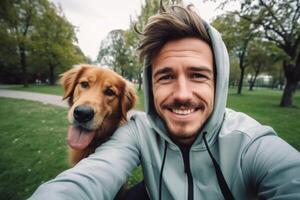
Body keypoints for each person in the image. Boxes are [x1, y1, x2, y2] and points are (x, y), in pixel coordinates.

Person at [30, 2, 300, 200]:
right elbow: (88, 178)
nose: (182, 94)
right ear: (151, 85)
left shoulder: (250, 142)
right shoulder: (138, 132)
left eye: (198, 75)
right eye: (166, 76)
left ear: (219, 83)